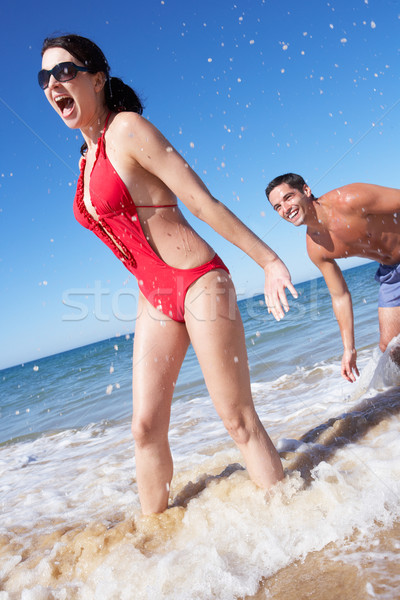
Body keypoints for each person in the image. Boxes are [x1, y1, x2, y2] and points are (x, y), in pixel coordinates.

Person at [39, 34, 298, 515]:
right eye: (45, 78)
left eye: (65, 71)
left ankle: (292, 517)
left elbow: (202, 202)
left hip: (199, 280)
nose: (54, 84)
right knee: (144, 428)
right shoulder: (84, 158)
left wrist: (268, 259)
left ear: (97, 79)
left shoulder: (130, 129)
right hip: (152, 297)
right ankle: (153, 538)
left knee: (237, 419)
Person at [266, 173, 400, 383]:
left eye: (288, 197)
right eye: (277, 207)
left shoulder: (349, 199)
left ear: (306, 191)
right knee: (390, 348)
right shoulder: (316, 248)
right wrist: (349, 348)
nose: (285, 208)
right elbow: (340, 295)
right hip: (391, 273)